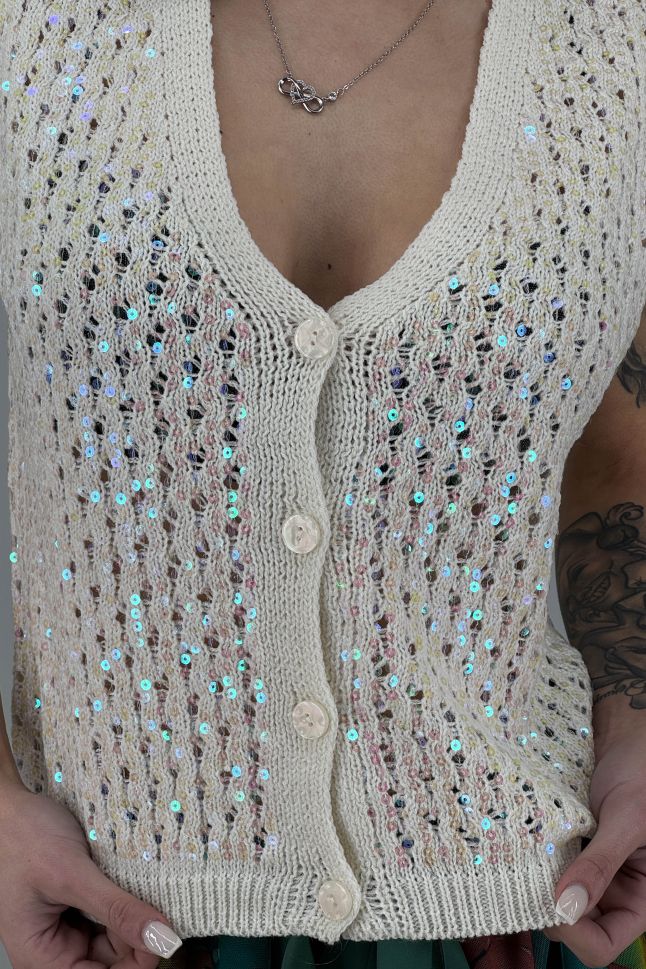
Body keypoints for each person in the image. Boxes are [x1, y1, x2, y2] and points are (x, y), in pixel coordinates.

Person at [0, 0, 645, 967]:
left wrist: (636, 736)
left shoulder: (615, 47)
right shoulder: (40, 25)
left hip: (514, 903)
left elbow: (620, 458)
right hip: (110, 918)